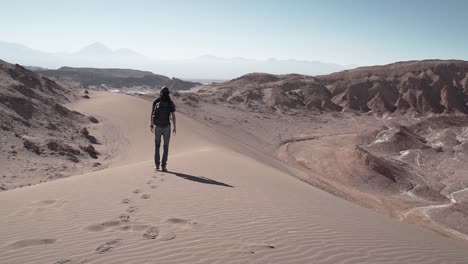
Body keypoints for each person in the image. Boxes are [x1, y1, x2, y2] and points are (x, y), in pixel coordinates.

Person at [150, 87, 176, 172]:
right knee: (166, 147)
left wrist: (151, 125)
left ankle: (157, 166)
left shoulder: (156, 102)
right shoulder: (170, 102)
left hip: (157, 127)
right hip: (167, 127)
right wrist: (175, 127)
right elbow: (173, 116)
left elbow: (152, 114)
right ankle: (163, 166)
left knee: (157, 146)